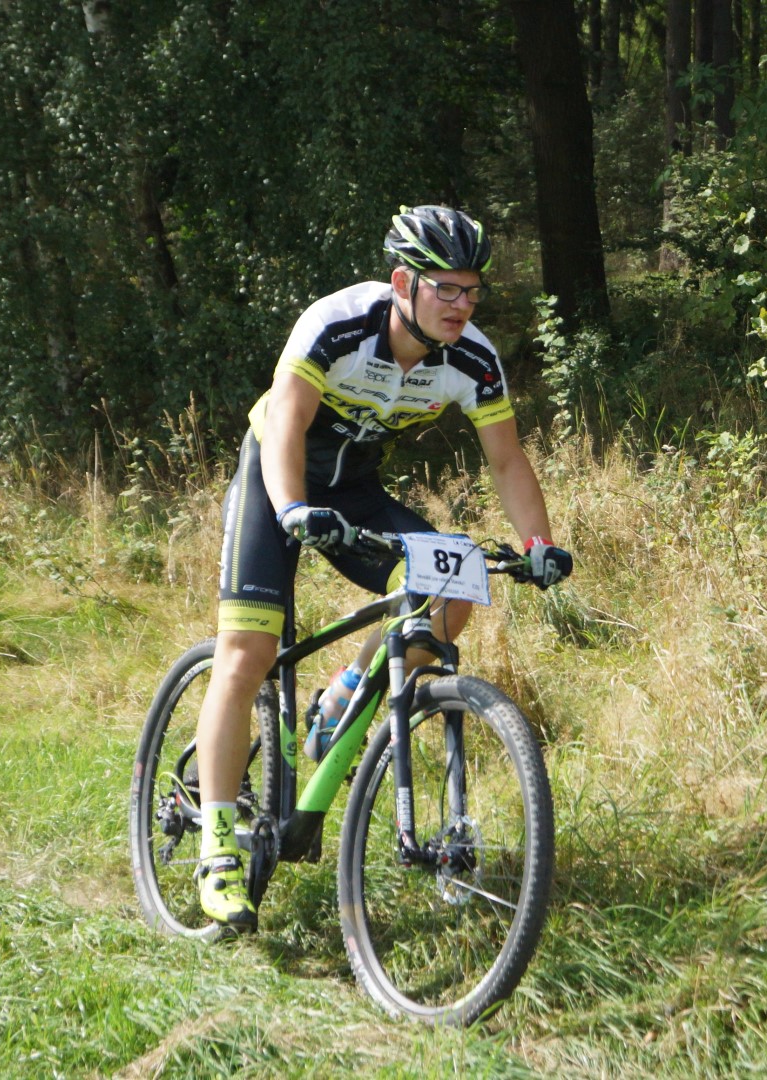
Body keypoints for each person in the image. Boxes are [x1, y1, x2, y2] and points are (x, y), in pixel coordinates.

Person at [191, 205, 574, 933]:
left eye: (472, 290)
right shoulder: (336, 325)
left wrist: (538, 545)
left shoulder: (472, 359)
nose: (462, 304)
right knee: (248, 652)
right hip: (275, 476)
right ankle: (217, 853)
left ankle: (343, 695)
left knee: (453, 587)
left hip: (355, 490)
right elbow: (286, 424)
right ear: (403, 283)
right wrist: (293, 509)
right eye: (446, 289)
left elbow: (507, 459)